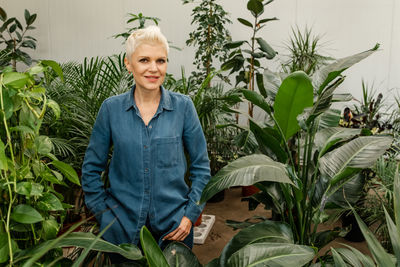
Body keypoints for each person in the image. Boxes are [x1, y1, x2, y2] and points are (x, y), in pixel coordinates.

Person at [81, 25, 211, 255]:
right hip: (122, 232)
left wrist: (189, 216)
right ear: (128, 64)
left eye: (160, 61)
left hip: (174, 230)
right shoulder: (111, 110)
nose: (154, 69)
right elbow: (91, 169)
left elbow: (202, 169)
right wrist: (105, 217)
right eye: (144, 60)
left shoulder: (183, 108)